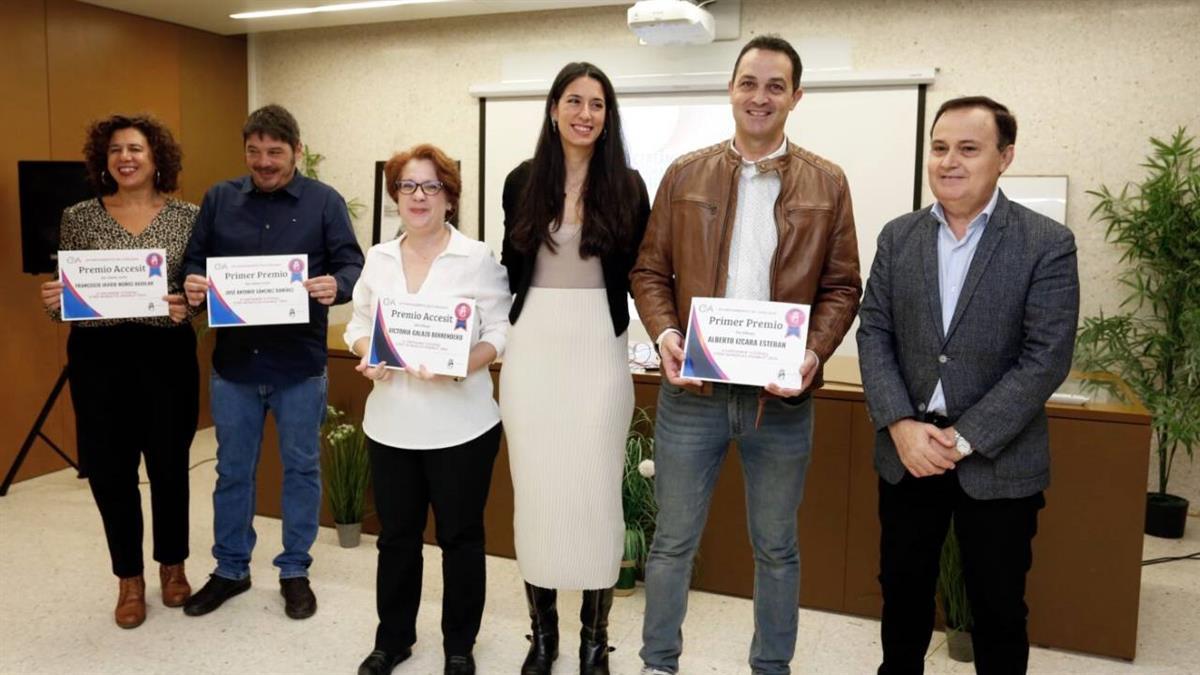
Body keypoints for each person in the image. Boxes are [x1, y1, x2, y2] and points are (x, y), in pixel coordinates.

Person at [631, 35, 862, 675]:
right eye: (749, 83)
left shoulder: (827, 182)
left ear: (795, 96)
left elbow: (843, 286)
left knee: (778, 548)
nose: (760, 97)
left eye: (775, 86)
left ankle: (771, 668)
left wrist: (813, 353)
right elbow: (649, 271)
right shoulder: (684, 174)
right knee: (673, 543)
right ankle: (658, 663)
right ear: (730, 89)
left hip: (780, 401)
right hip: (692, 395)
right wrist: (666, 335)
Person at [857, 96, 1079, 675]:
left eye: (968, 149)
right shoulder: (898, 236)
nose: (948, 161)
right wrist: (901, 424)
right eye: (939, 147)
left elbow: (1045, 358)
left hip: (996, 458)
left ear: (1004, 158)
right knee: (902, 595)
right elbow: (874, 331)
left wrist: (962, 439)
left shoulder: (1046, 243)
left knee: (998, 606)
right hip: (907, 453)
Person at [180, 104, 364, 620]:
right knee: (232, 471)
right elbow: (195, 260)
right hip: (234, 367)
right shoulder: (219, 199)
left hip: (298, 366)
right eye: (254, 152)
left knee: (301, 470)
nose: (264, 162)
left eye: (275, 152)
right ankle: (231, 570)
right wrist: (195, 281)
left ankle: (294, 570)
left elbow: (351, 262)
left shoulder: (324, 203)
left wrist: (338, 284)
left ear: (297, 151)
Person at [500, 61, 650, 675]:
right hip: (532, 343)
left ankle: (595, 637)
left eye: (597, 104)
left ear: (607, 116)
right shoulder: (521, 180)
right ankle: (543, 635)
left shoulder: (630, 185)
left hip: (599, 344)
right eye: (574, 100)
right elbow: (508, 267)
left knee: (593, 495)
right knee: (536, 493)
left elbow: (644, 274)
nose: (585, 113)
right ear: (553, 108)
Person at [346, 144, 511, 675]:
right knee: (396, 539)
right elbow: (357, 326)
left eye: (431, 186)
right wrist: (366, 354)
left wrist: (466, 360)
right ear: (395, 196)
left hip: (462, 426)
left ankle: (459, 645)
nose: (418, 197)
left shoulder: (477, 257)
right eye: (407, 186)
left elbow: (502, 333)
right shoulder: (378, 257)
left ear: (449, 197)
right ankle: (392, 640)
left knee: (460, 539)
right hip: (392, 424)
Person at [39, 114, 199, 629]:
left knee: (171, 466)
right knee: (110, 472)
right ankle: (128, 578)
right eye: (114, 150)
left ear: (156, 159)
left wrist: (190, 306)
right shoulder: (78, 217)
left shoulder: (189, 217)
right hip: (98, 357)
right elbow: (71, 295)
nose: (124, 158)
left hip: (165, 355)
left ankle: (172, 567)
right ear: (103, 160)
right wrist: (55, 301)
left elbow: (199, 290)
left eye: (135, 149)